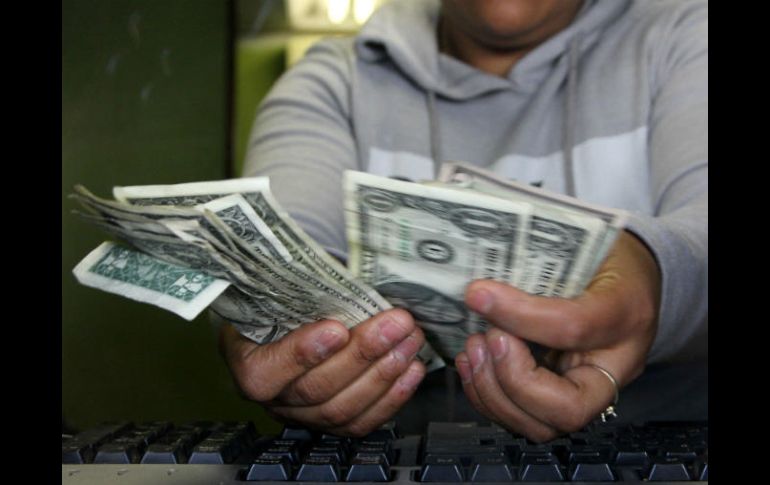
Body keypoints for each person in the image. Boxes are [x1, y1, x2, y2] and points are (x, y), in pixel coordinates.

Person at [218, 0, 707, 441]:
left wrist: (654, 272)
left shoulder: (686, 36)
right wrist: (265, 326)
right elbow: (276, 257)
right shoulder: (333, 81)